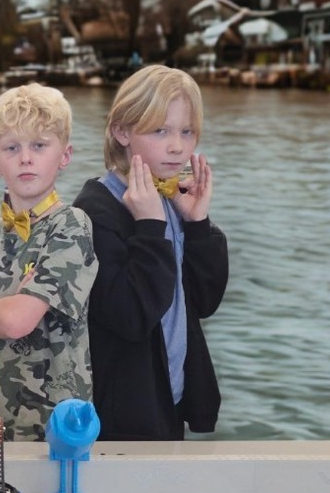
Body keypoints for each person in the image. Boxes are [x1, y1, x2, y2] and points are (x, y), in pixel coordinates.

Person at [73, 65, 228, 441]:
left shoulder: (171, 199)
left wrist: (197, 224)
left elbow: (204, 300)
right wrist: (148, 228)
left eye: (186, 131)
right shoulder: (95, 212)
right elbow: (130, 316)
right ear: (121, 131)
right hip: (122, 414)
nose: (177, 146)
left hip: (167, 397)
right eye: (160, 130)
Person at [0, 83, 97, 441]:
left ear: (64, 155)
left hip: (55, 424)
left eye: (39, 146)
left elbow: (16, 323)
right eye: (12, 147)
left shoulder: (71, 225)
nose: (25, 158)